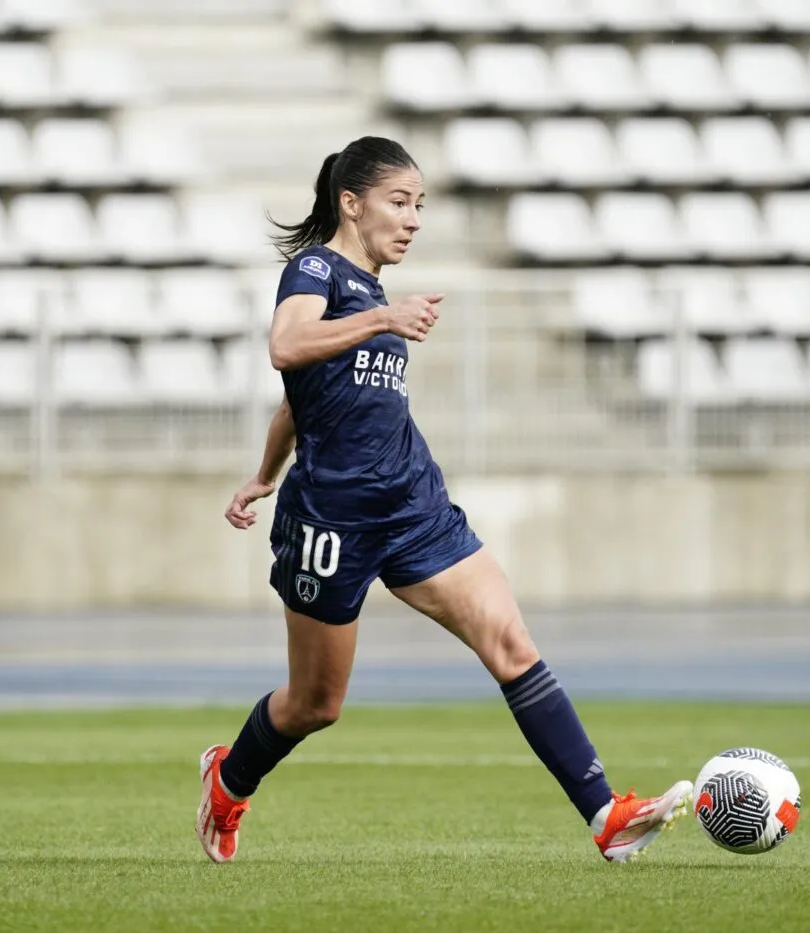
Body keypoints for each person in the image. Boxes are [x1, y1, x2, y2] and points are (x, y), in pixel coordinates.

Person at [195, 137, 692, 864]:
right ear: (351, 202)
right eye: (400, 202)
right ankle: (228, 779)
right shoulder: (317, 271)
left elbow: (302, 405)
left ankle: (606, 815)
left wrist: (265, 468)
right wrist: (382, 321)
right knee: (316, 703)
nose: (414, 219)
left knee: (511, 642)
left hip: (412, 501)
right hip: (333, 515)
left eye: (420, 205)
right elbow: (286, 345)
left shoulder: (369, 295)